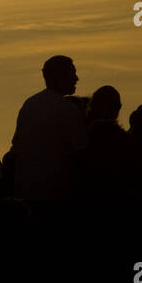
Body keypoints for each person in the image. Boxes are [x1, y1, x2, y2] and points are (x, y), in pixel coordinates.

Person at [8, 56, 88, 209]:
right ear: (59, 76)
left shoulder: (29, 105)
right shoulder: (67, 109)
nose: (76, 78)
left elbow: (16, 148)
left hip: (27, 194)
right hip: (57, 197)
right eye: (72, 73)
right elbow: (80, 153)